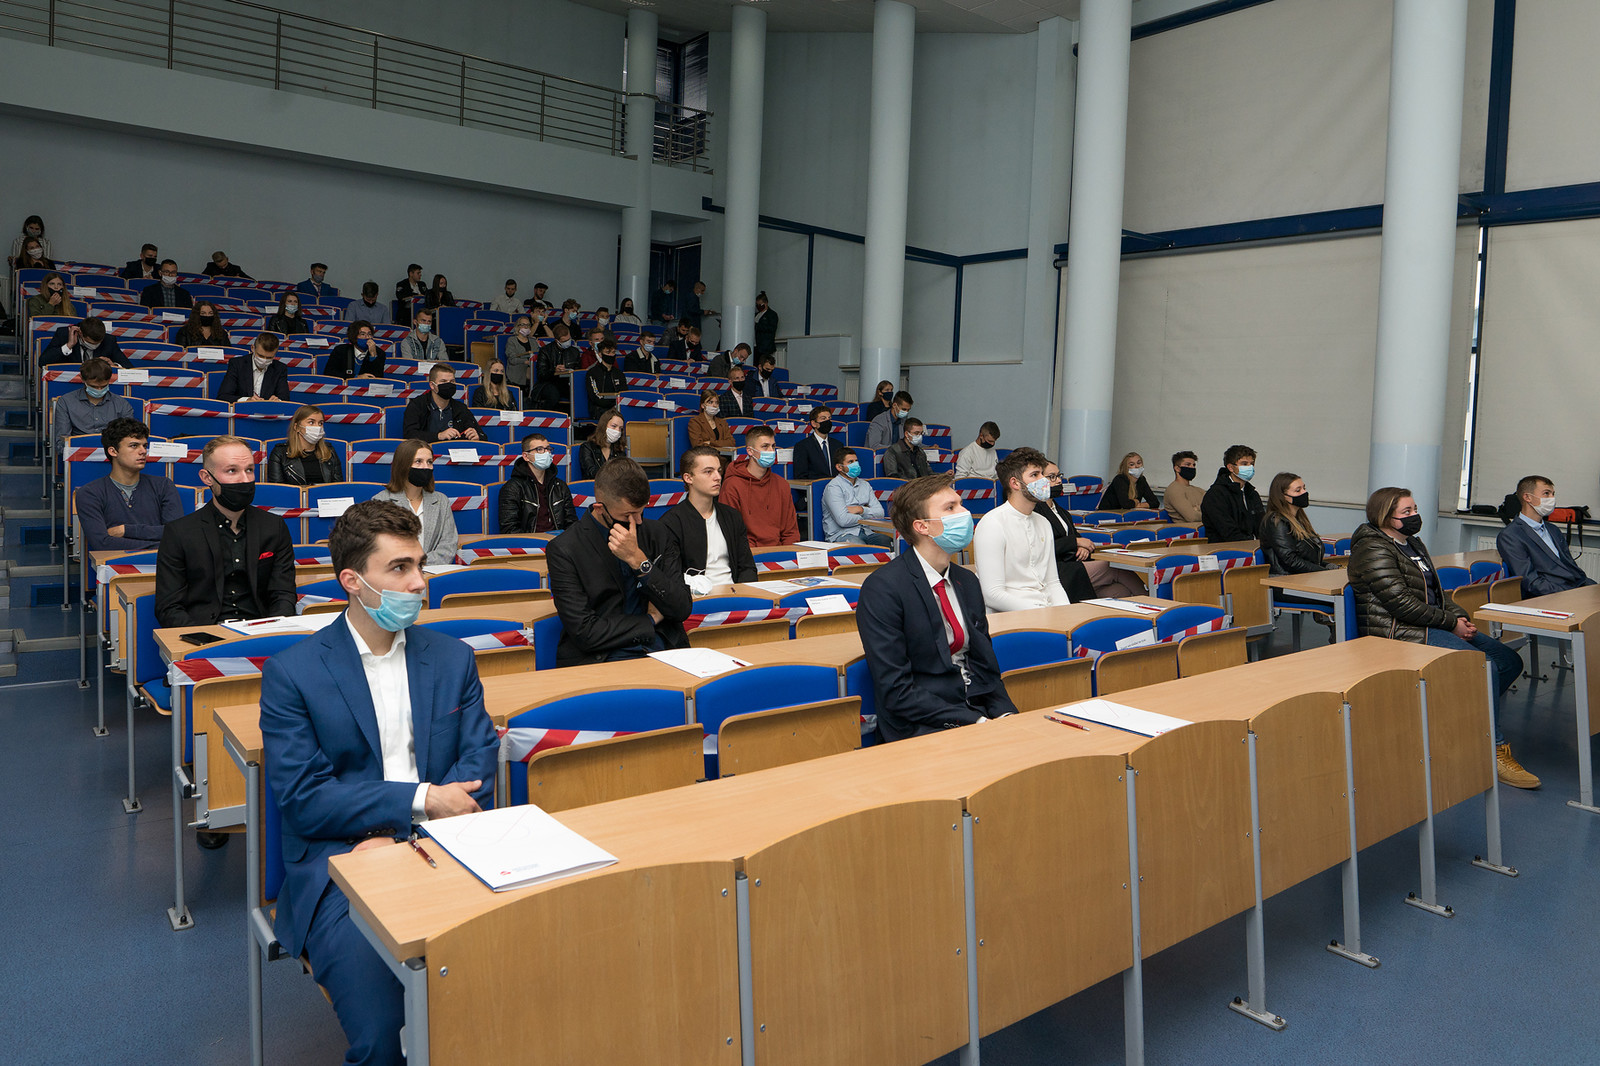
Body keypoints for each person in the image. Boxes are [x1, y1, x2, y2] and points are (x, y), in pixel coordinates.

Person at [260, 500, 497, 1066]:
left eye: (419, 565)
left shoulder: (452, 658)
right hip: (341, 863)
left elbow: (479, 758)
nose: (419, 582)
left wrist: (414, 832)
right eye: (399, 568)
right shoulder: (293, 674)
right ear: (353, 581)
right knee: (385, 1035)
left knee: (516, 987)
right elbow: (305, 801)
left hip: (447, 847)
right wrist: (418, 803)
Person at [1349, 487, 1538, 789]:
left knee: (1508, 662)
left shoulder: (1412, 543)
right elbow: (1401, 604)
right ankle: (1492, 747)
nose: (1415, 516)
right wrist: (1452, 624)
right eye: (1406, 512)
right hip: (1397, 632)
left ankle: (1465, 722)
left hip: (1428, 623)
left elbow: (1436, 592)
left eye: (1414, 509)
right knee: (1483, 667)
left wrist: (1458, 617)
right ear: (1385, 517)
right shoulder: (1372, 549)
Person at [856, 474, 1017, 742]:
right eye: (950, 508)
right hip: (921, 722)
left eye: (961, 504)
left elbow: (986, 666)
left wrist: (1005, 714)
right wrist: (975, 722)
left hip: (976, 710)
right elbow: (896, 691)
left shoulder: (967, 580)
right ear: (922, 527)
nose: (964, 513)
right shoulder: (883, 588)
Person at [545, 457, 692, 665]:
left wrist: (640, 562)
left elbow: (681, 608)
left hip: (663, 648)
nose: (637, 521)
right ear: (599, 508)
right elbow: (585, 632)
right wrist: (649, 620)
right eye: (628, 515)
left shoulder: (658, 533)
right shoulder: (565, 549)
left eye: (641, 511)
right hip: (602, 658)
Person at [154, 435, 297, 627]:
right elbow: (169, 607)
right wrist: (203, 637)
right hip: (204, 633)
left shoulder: (274, 527)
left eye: (249, 470)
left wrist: (272, 630)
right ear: (207, 478)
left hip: (262, 630)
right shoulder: (180, 533)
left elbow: (284, 595)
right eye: (232, 471)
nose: (244, 479)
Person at [972, 448, 1072, 612]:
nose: (1043, 480)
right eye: (1035, 475)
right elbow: (992, 594)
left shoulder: (1043, 523)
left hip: (1045, 611)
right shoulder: (993, 523)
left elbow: (1053, 583)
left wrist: (1064, 614)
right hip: (1010, 615)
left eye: (1042, 474)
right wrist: (1042, 614)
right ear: (1015, 483)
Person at [1038, 461, 1141, 600]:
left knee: (1119, 591)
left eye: (1059, 475)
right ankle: (1154, 603)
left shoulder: (1061, 511)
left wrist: (1083, 548)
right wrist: (1075, 543)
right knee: (1115, 567)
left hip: (1074, 563)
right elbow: (1043, 547)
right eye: (1052, 477)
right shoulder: (1036, 511)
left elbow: (1078, 537)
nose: (1058, 480)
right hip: (1058, 570)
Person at [76, 417, 183, 552]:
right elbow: (102, 544)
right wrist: (160, 546)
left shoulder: (164, 486)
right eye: (134, 446)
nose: (143, 451)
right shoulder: (90, 493)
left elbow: (177, 533)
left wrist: (126, 530)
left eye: (144, 446)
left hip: (162, 563)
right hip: (116, 565)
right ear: (113, 451)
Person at [660, 446, 757, 585]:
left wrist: (743, 593)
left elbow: (747, 568)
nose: (718, 477)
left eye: (719, 471)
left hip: (735, 593)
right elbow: (672, 577)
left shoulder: (732, 516)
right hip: (696, 595)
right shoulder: (671, 523)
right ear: (688, 478)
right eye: (708, 472)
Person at [1497, 475, 1597, 597]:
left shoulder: (1553, 529)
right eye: (1546, 493)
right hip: (1547, 597)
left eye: (1553, 494)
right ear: (1527, 497)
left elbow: (1571, 568)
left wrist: (1591, 588)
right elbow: (1531, 582)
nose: (1552, 498)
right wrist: (1570, 594)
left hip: (1572, 589)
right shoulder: (1510, 536)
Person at [371, 439, 459, 566]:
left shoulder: (441, 501)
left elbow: (448, 546)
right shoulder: (381, 501)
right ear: (403, 465)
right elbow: (381, 548)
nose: (425, 467)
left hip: (434, 571)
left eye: (429, 462)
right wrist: (408, 567)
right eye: (418, 461)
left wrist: (421, 564)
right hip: (397, 573)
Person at [718, 425, 799, 548]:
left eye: (773, 446)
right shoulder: (732, 485)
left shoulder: (782, 484)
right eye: (765, 446)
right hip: (748, 554)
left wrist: (787, 554)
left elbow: (791, 531)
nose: (771, 451)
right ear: (750, 451)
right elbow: (731, 533)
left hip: (780, 552)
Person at [1260, 472, 1337, 576]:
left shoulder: (1299, 519)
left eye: (1304, 488)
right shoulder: (1276, 521)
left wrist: (1326, 566)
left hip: (1302, 577)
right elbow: (1290, 560)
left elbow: (1307, 559)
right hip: (1285, 579)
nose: (1304, 492)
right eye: (1298, 490)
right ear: (1283, 496)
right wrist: (1323, 571)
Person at [497, 434, 576, 534]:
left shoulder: (560, 486)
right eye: (539, 449)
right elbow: (509, 529)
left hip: (559, 541)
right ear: (526, 456)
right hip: (529, 542)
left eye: (548, 449)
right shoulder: (512, 488)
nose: (546, 453)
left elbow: (572, 523)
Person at [52, 357, 133, 453]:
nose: (99, 390)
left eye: (103, 386)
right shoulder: (66, 402)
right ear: (83, 379)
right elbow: (62, 441)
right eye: (93, 386)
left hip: (113, 455)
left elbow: (129, 439)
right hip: (78, 454)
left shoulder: (122, 404)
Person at [823, 448, 890, 546]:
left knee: (888, 542)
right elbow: (843, 520)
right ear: (839, 467)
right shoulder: (833, 487)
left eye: (856, 461)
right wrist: (868, 515)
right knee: (860, 547)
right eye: (850, 462)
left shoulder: (865, 485)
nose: (855, 464)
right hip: (841, 535)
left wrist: (861, 510)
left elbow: (880, 513)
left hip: (867, 532)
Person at [401, 364, 482, 443]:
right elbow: (410, 435)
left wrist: (477, 436)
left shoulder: (460, 408)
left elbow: (482, 435)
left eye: (452, 381)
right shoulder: (417, 405)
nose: (449, 385)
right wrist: (439, 436)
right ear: (432, 385)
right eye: (443, 381)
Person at [1201, 444, 1264, 543]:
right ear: (1230, 467)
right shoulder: (1215, 495)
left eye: (1252, 464)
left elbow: (1262, 526)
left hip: (1252, 546)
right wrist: (1253, 542)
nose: (1250, 467)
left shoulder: (1252, 493)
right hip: (1224, 548)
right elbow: (1228, 531)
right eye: (1244, 464)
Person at [266, 405, 344, 486]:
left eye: (320, 423)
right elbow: (278, 488)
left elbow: (338, 486)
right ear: (297, 427)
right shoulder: (279, 453)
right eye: (311, 422)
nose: (317, 427)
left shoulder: (329, 451)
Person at [218, 334, 291, 402]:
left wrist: (278, 400)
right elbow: (223, 396)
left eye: (269, 357)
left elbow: (285, 398)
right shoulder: (237, 364)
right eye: (260, 356)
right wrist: (246, 400)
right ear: (253, 348)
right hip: (243, 409)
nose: (264, 360)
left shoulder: (280, 368)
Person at [40, 316, 128, 367]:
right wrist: (68, 345)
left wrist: (114, 366)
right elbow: (43, 362)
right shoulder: (64, 335)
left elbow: (129, 367)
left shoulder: (108, 340)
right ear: (80, 333)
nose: (95, 346)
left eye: (99, 343)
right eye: (92, 343)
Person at [531, 322, 581, 411]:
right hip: (548, 383)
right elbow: (541, 374)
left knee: (580, 392)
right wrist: (554, 371)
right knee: (553, 394)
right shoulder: (545, 351)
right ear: (557, 340)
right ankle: (546, 415)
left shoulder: (574, 352)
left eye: (569, 339)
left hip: (567, 382)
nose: (567, 342)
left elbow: (578, 370)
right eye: (564, 341)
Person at [793, 404, 843, 481]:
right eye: (823, 418)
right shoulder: (803, 446)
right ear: (813, 423)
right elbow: (801, 477)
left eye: (829, 418)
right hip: (815, 487)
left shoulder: (838, 445)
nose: (827, 421)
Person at [578, 408, 628, 479]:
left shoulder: (620, 449)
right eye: (614, 426)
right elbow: (591, 472)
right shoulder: (587, 447)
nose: (617, 431)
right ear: (603, 426)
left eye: (620, 428)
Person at [585, 335, 626, 412]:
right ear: (600, 354)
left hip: (618, 409)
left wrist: (616, 406)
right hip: (599, 409)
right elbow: (595, 396)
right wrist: (612, 407)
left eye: (613, 352)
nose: (611, 355)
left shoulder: (619, 373)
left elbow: (624, 394)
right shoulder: (592, 373)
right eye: (608, 352)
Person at [1163, 450, 1204, 523]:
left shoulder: (1199, 490)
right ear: (1177, 468)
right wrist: (1203, 510)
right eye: (1188, 465)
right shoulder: (1174, 490)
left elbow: (1215, 510)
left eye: (1194, 465)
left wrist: (1196, 509)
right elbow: (1192, 517)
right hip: (1187, 528)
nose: (1192, 467)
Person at [502, 314, 538, 393]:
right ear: (518, 327)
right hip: (517, 370)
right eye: (523, 325)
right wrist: (526, 362)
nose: (526, 327)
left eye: (528, 325)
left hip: (532, 368)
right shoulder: (512, 340)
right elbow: (512, 359)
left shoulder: (533, 341)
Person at [752, 291, 779, 360]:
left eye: (760, 304)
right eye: (757, 305)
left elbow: (771, 328)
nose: (758, 306)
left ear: (766, 303)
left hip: (765, 347)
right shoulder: (756, 315)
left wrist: (757, 326)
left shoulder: (772, 315)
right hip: (755, 346)